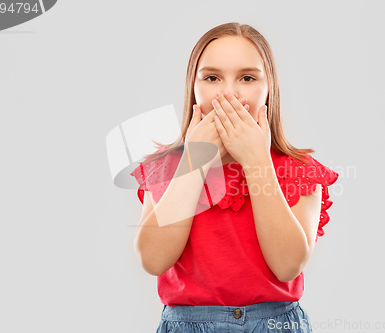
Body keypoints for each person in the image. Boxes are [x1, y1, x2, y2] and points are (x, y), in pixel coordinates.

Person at [130, 22, 339, 333]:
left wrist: (257, 160)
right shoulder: (169, 167)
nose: (228, 92)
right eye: (212, 78)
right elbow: (153, 259)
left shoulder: (298, 170)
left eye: (247, 78)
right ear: (193, 87)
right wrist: (195, 161)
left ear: (270, 89)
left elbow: (287, 266)